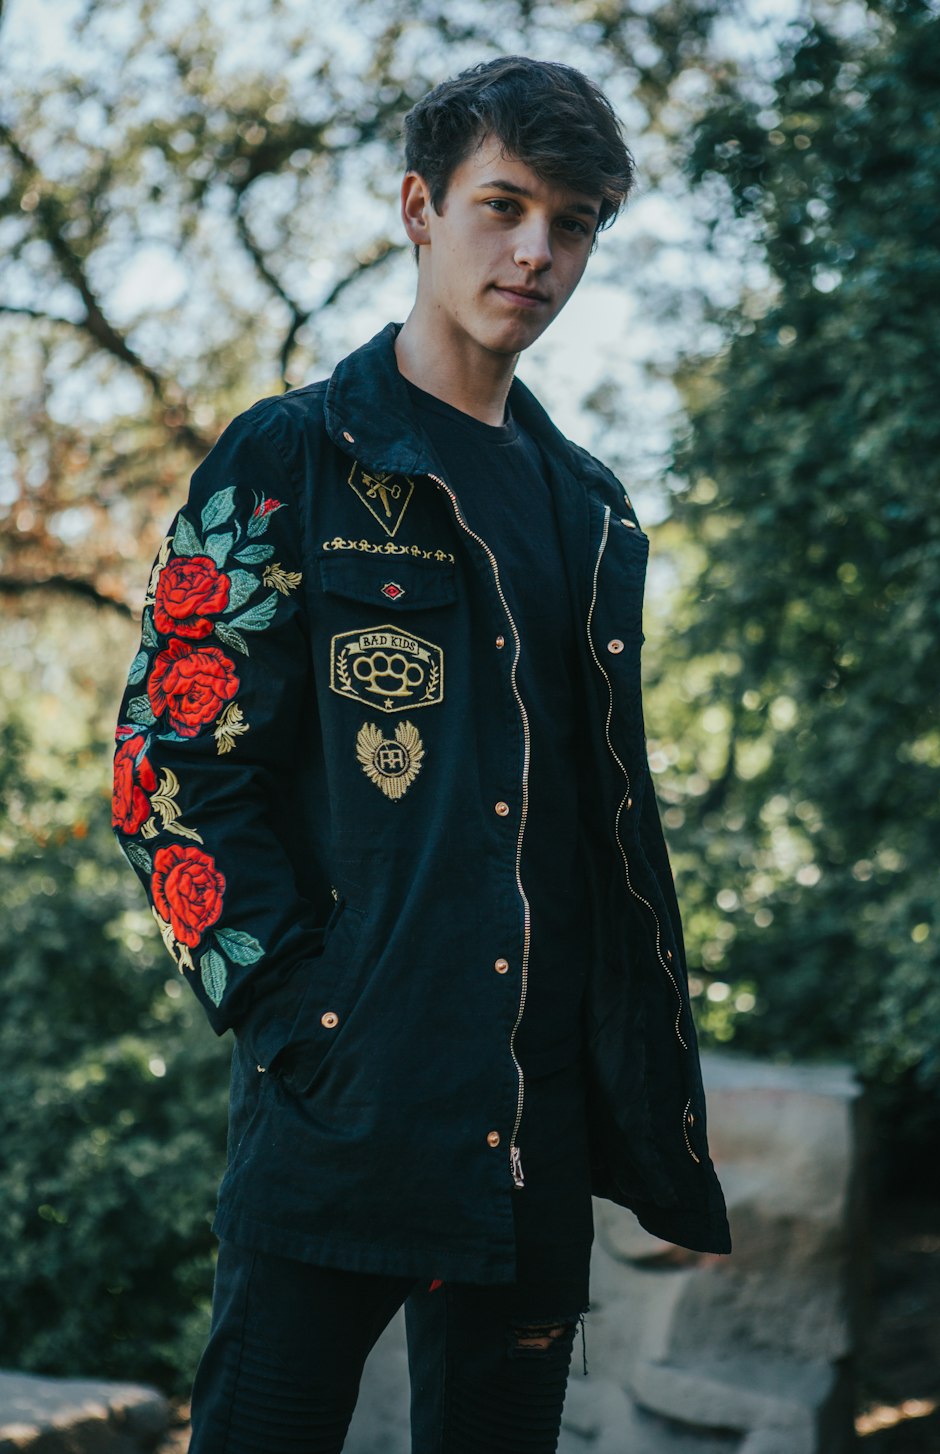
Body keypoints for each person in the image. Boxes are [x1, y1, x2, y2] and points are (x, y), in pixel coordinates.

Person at [111, 54, 730, 1454]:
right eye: (503, 205)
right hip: (340, 1115)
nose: (536, 250)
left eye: (573, 222)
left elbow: (590, 824)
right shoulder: (290, 457)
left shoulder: (590, 506)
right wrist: (293, 1016)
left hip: (533, 1132)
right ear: (417, 207)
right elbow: (165, 767)